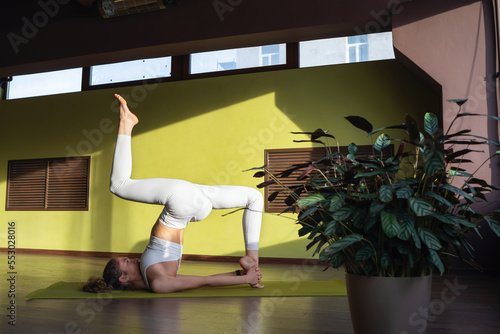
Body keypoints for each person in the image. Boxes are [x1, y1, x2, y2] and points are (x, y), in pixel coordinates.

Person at [83, 94, 264, 294]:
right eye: (126, 261)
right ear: (123, 277)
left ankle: (252, 261)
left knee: (254, 197)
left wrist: (244, 276)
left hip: (196, 207)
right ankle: (126, 124)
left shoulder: (158, 277)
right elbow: (203, 281)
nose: (132, 258)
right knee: (118, 185)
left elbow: (205, 279)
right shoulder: (159, 283)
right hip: (182, 201)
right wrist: (245, 278)